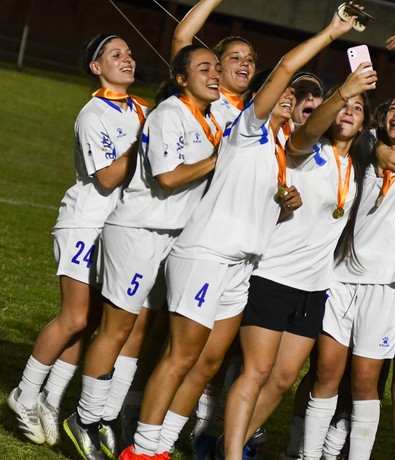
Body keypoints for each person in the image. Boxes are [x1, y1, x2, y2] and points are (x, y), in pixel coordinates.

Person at [120, 9, 361, 460]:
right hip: (208, 253)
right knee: (181, 356)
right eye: (283, 92)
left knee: (209, 362)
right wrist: (331, 32)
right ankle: (142, 449)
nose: (289, 97)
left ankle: (163, 445)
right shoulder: (247, 128)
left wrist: (282, 203)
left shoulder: (276, 148)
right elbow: (286, 66)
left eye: (294, 95)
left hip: (242, 265)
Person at [63, 43, 222, 460]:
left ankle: (108, 415)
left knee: (138, 328)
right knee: (116, 327)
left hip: (169, 235)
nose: (216, 73)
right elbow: (168, 178)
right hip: (137, 230)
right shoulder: (169, 113)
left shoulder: (210, 117)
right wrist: (218, 161)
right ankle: (84, 416)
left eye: (217, 67)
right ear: (183, 79)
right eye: (205, 67)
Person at [303, 34, 395, 460]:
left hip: (388, 288)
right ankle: (309, 455)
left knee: (365, 383)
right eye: (393, 109)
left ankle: (347, 454)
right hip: (340, 279)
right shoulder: (363, 149)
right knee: (326, 376)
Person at [6, 32, 148, 449]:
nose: (127, 59)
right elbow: (106, 177)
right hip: (84, 224)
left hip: (117, 230)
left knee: (89, 324)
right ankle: (25, 394)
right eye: (115, 54)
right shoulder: (94, 113)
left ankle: (51, 399)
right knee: (74, 317)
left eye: (129, 53)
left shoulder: (143, 109)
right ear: (96, 67)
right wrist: (144, 143)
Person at [229, 64, 377, 459]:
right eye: (343, 106)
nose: (348, 112)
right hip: (273, 275)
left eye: (358, 109)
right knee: (255, 373)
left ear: (364, 125)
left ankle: (235, 441)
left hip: (313, 288)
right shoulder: (311, 150)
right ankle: (226, 451)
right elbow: (308, 132)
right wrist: (344, 92)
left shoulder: (359, 169)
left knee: (281, 381)